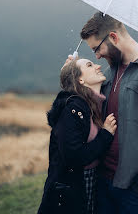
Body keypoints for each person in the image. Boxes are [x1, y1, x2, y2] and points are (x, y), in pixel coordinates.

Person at [76, 11, 138, 214]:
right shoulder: (110, 72)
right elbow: (84, 103)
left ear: (113, 37)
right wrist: (71, 75)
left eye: (97, 48)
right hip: (104, 183)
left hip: (137, 191)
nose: (96, 56)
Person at [37, 58, 117, 214]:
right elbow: (74, 156)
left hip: (90, 181)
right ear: (80, 79)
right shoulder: (73, 108)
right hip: (72, 188)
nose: (98, 65)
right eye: (90, 65)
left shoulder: (93, 104)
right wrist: (106, 134)